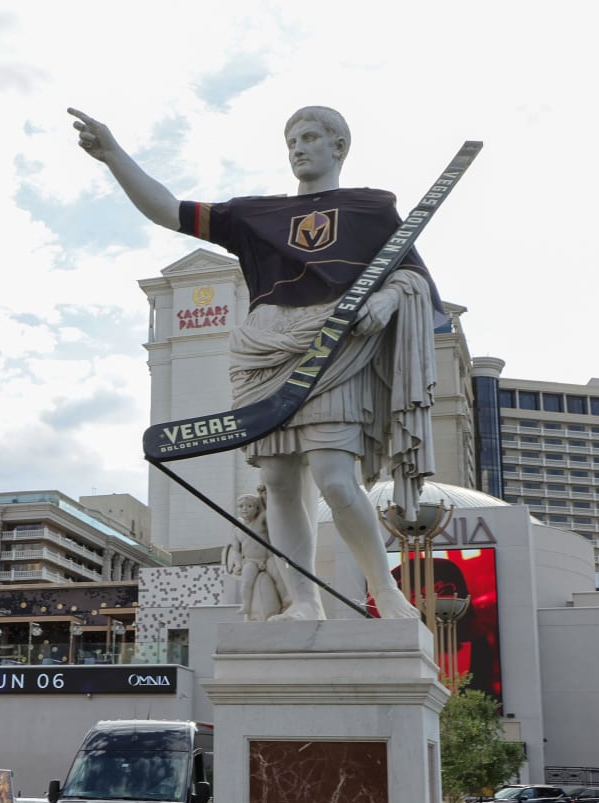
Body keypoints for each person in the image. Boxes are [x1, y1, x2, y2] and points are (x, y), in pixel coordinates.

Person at [72, 105, 439, 623]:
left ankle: (386, 592)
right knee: (280, 482)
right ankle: (305, 602)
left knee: (335, 477)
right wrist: (114, 156)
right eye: (292, 139)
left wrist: (388, 298)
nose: (298, 147)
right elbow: (168, 211)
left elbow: (414, 277)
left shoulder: (371, 208)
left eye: (311, 137)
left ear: (339, 146)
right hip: (262, 348)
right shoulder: (252, 215)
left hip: (333, 343)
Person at [221, 487, 290, 621]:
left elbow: (269, 510)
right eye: (241, 506)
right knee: (246, 583)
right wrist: (239, 564)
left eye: (249, 506)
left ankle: (285, 597)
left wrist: (263, 495)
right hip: (251, 561)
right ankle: (246, 605)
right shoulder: (237, 529)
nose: (244, 509)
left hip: (267, 558)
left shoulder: (261, 520)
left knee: (278, 576)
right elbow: (236, 550)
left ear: (256, 508)